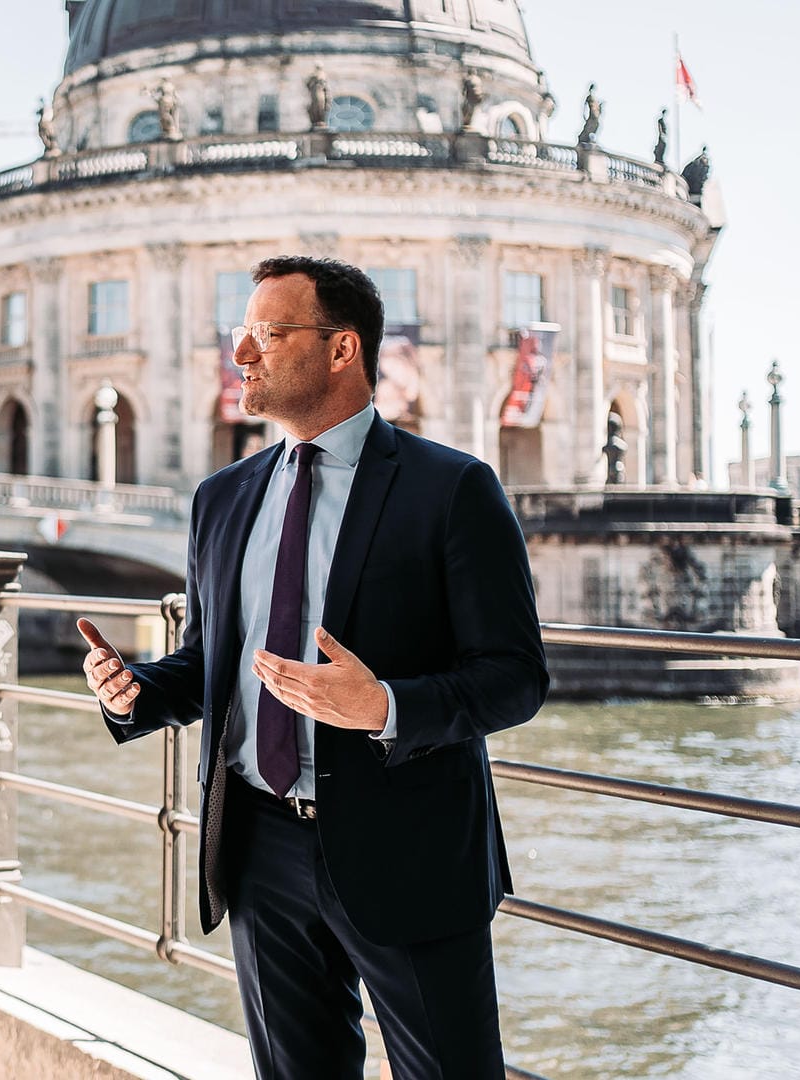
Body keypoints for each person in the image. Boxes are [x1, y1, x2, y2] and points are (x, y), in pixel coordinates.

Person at [77, 255, 547, 1079]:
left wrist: (385, 707)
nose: (243, 357)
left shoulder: (454, 489)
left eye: (268, 334)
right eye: (242, 335)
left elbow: (514, 676)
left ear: (342, 350)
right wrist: (136, 692)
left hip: (412, 852)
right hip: (260, 850)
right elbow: (214, 663)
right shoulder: (220, 498)